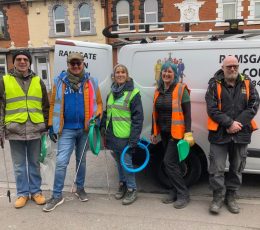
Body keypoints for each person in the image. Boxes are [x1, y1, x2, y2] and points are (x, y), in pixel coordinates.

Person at [43, 53, 103, 212]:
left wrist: (97, 118)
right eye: (73, 63)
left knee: (81, 161)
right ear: (68, 64)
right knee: (62, 162)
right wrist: (51, 125)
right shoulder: (59, 81)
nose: (76, 66)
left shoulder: (91, 82)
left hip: (84, 129)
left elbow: (98, 104)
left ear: (83, 64)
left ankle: (80, 188)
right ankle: (57, 195)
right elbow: (52, 105)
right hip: (67, 129)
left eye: (78, 63)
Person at [205, 55, 259, 214]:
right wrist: (229, 123)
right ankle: (217, 198)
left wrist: (237, 124)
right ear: (223, 68)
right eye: (229, 66)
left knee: (236, 169)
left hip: (241, 134)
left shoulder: (247, 83)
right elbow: (211, 109)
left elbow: (254, 105)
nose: (232, 69)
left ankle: (231, 197)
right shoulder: (214, 84)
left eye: (235, 65)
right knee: (217, 169)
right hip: (219, 134)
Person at [0, 50, 49, 208]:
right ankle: (22, 193)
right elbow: (1, 107)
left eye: (25, 59)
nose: (22, 62)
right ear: (13, 62)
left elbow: (45, 106)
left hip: (35, 129)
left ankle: (36, 192)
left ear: (29, 62)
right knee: (19, 166)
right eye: (19, 59)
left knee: (34, 163)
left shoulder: (38, 80)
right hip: (15, 130)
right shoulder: (4, 81)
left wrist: (46, 126)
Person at [150, 61, 195, 209]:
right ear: (161, 73)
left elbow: (188, 113)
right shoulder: (158, 90)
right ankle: (174, 190)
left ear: (175, 74)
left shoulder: (182, 89)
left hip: (176, 133)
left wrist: (188, 132)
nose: (166, 74)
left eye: (170, 71)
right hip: (163, 132)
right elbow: (154, 113)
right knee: (174, 164)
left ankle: (183, 194)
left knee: (169, 163)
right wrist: (153, 132)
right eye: (164, 71)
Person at [100, 64, 144, 205]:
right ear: (114, 76)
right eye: (117, 72)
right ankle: (123, 185)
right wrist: (102, 127)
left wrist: (133, 139)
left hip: (126, 136)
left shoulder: (133, 93)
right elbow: (108, 113)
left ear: (127, 75)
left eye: (122, 72)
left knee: (126, 163)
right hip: (113, 135)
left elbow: (138, 118)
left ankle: (132, 189)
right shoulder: (110, 93)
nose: (120, 74)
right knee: (119, 163)